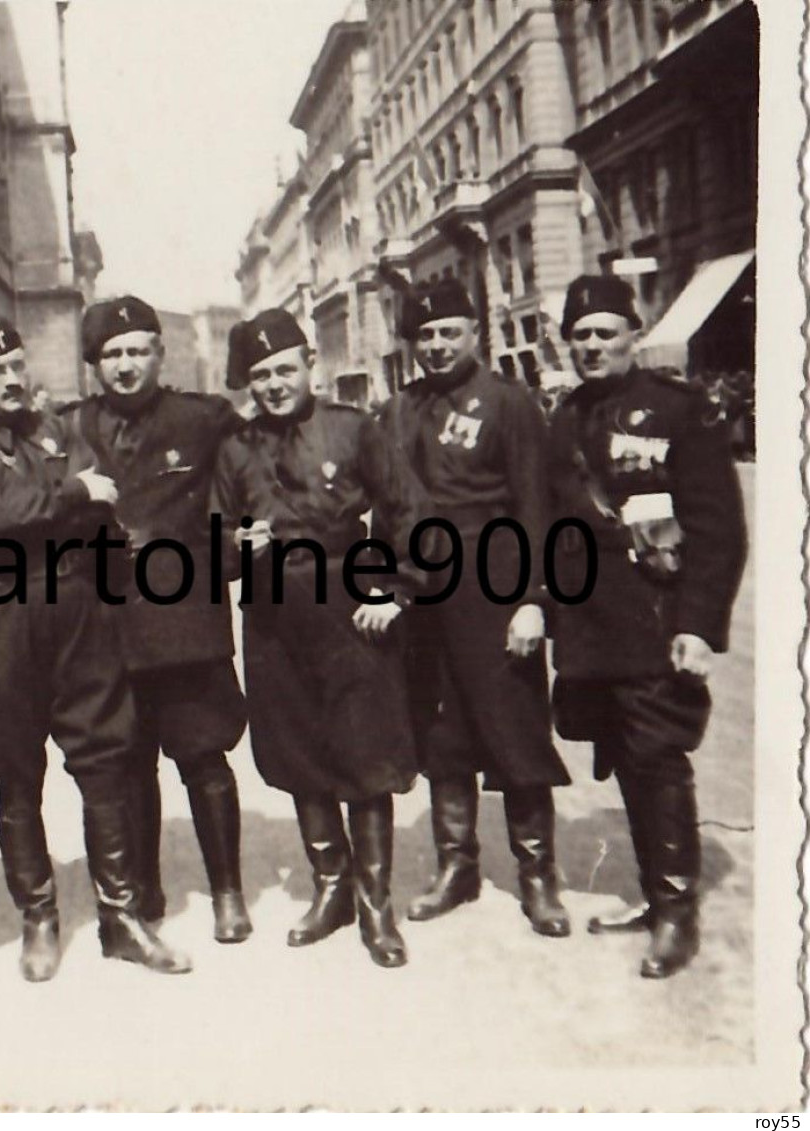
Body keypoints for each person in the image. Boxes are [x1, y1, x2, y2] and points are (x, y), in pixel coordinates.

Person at [0, 320, 191, 980]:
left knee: (105, 753)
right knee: (14, 764)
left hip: (76, 602)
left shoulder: (54, 429)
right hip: (2, 614)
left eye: (18, 364)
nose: (15, 379)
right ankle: (38, 917)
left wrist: (59, 504)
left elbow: (99, 506)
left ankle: (121, 915)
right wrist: (68, 496)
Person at [546, 274, 747, 978]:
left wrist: (699, 625)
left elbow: (719, 530)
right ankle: (652, 897)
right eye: (581, 335)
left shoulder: (678, 410)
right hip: (593, 630)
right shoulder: (565, 417)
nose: (592, 345)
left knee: (659, 761)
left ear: (635, 334)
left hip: (657, 623)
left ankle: (677, 913)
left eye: (605, 332)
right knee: (629, 761)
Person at [213, 309, 419, 968]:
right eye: (259, 376)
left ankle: (374, 904)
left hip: (350, 606)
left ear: (310, 366)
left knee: (364, 752)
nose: (273, 385)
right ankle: (330, 887)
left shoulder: (355, 429)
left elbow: (408, 511)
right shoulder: (236, 448)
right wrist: (234, 546)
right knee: (299, 750)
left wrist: (399, 588)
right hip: (274, 616)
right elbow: (214, 536)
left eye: (283, 370)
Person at [377, 276, 572, 938]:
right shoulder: (399, 407)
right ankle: (456, 867)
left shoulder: (509, 402)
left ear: (473, 333)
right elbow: (386, 505)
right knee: (442, 734)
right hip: (425, 596)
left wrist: (533, 600)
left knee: (514, 729)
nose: (435, 345)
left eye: (448, 333)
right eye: (424, 335)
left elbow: (536, 506)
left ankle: (538, 877)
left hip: (496, 589)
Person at [60, 296, 251, 943]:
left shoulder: (202, 420)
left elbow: (242, 490)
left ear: (159, 355)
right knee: (129, 762)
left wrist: (224, 558)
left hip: (184, 622)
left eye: (138, 350)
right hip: (105, 627)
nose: (125, 365)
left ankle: (228, 891)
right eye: (112, 354)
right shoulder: (69, 428)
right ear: (93, 363)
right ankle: (143, 892)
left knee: (203, 756)